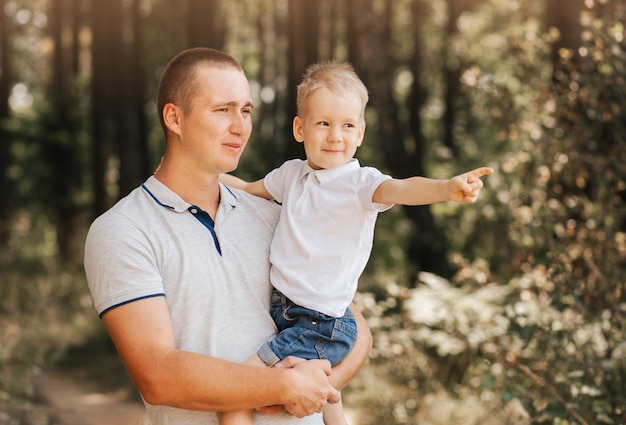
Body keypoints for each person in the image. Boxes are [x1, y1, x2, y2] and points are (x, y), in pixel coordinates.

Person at [83, 48, 373, 425]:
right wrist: (282, 388)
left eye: (246, 111)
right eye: (223, 110)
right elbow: (158, 375)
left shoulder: (274, 215)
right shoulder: (123, 231)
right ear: (174, 117)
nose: (240, 126)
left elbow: (353, 327)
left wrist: (315, 388)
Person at [219, 61, 494, 425]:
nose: (336, 136)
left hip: (318, 322)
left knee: (237, 392)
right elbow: (249, 190)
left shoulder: (359, 184)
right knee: (329, 402)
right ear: (300, 129)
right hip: (288, 310)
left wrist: (444, 188)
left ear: (361, 133)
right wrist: (209, 174)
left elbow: (403, 186)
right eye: (324, 124)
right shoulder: (291, 175)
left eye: (348, 125)